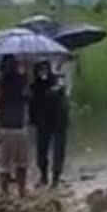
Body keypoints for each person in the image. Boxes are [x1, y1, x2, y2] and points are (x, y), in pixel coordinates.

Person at [0, 54, 31, 198]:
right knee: (20, 163)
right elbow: (27, 97)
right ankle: (20, 191)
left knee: (6, 164)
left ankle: (6, 192)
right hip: (17, 127)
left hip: (8, 127)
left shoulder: (1, 83)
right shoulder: (21, 81)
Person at [29, 60, 70, 188]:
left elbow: (63, 92)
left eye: (45, 69)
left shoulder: (57, 81)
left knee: (58, 148)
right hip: (43, 119)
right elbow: (32, 103)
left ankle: (56, 177)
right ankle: (44, 176)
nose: (43, 73)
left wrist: (57, 90)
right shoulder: (34, 85)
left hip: (59, 118)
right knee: (41, 149)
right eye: (40, 69)